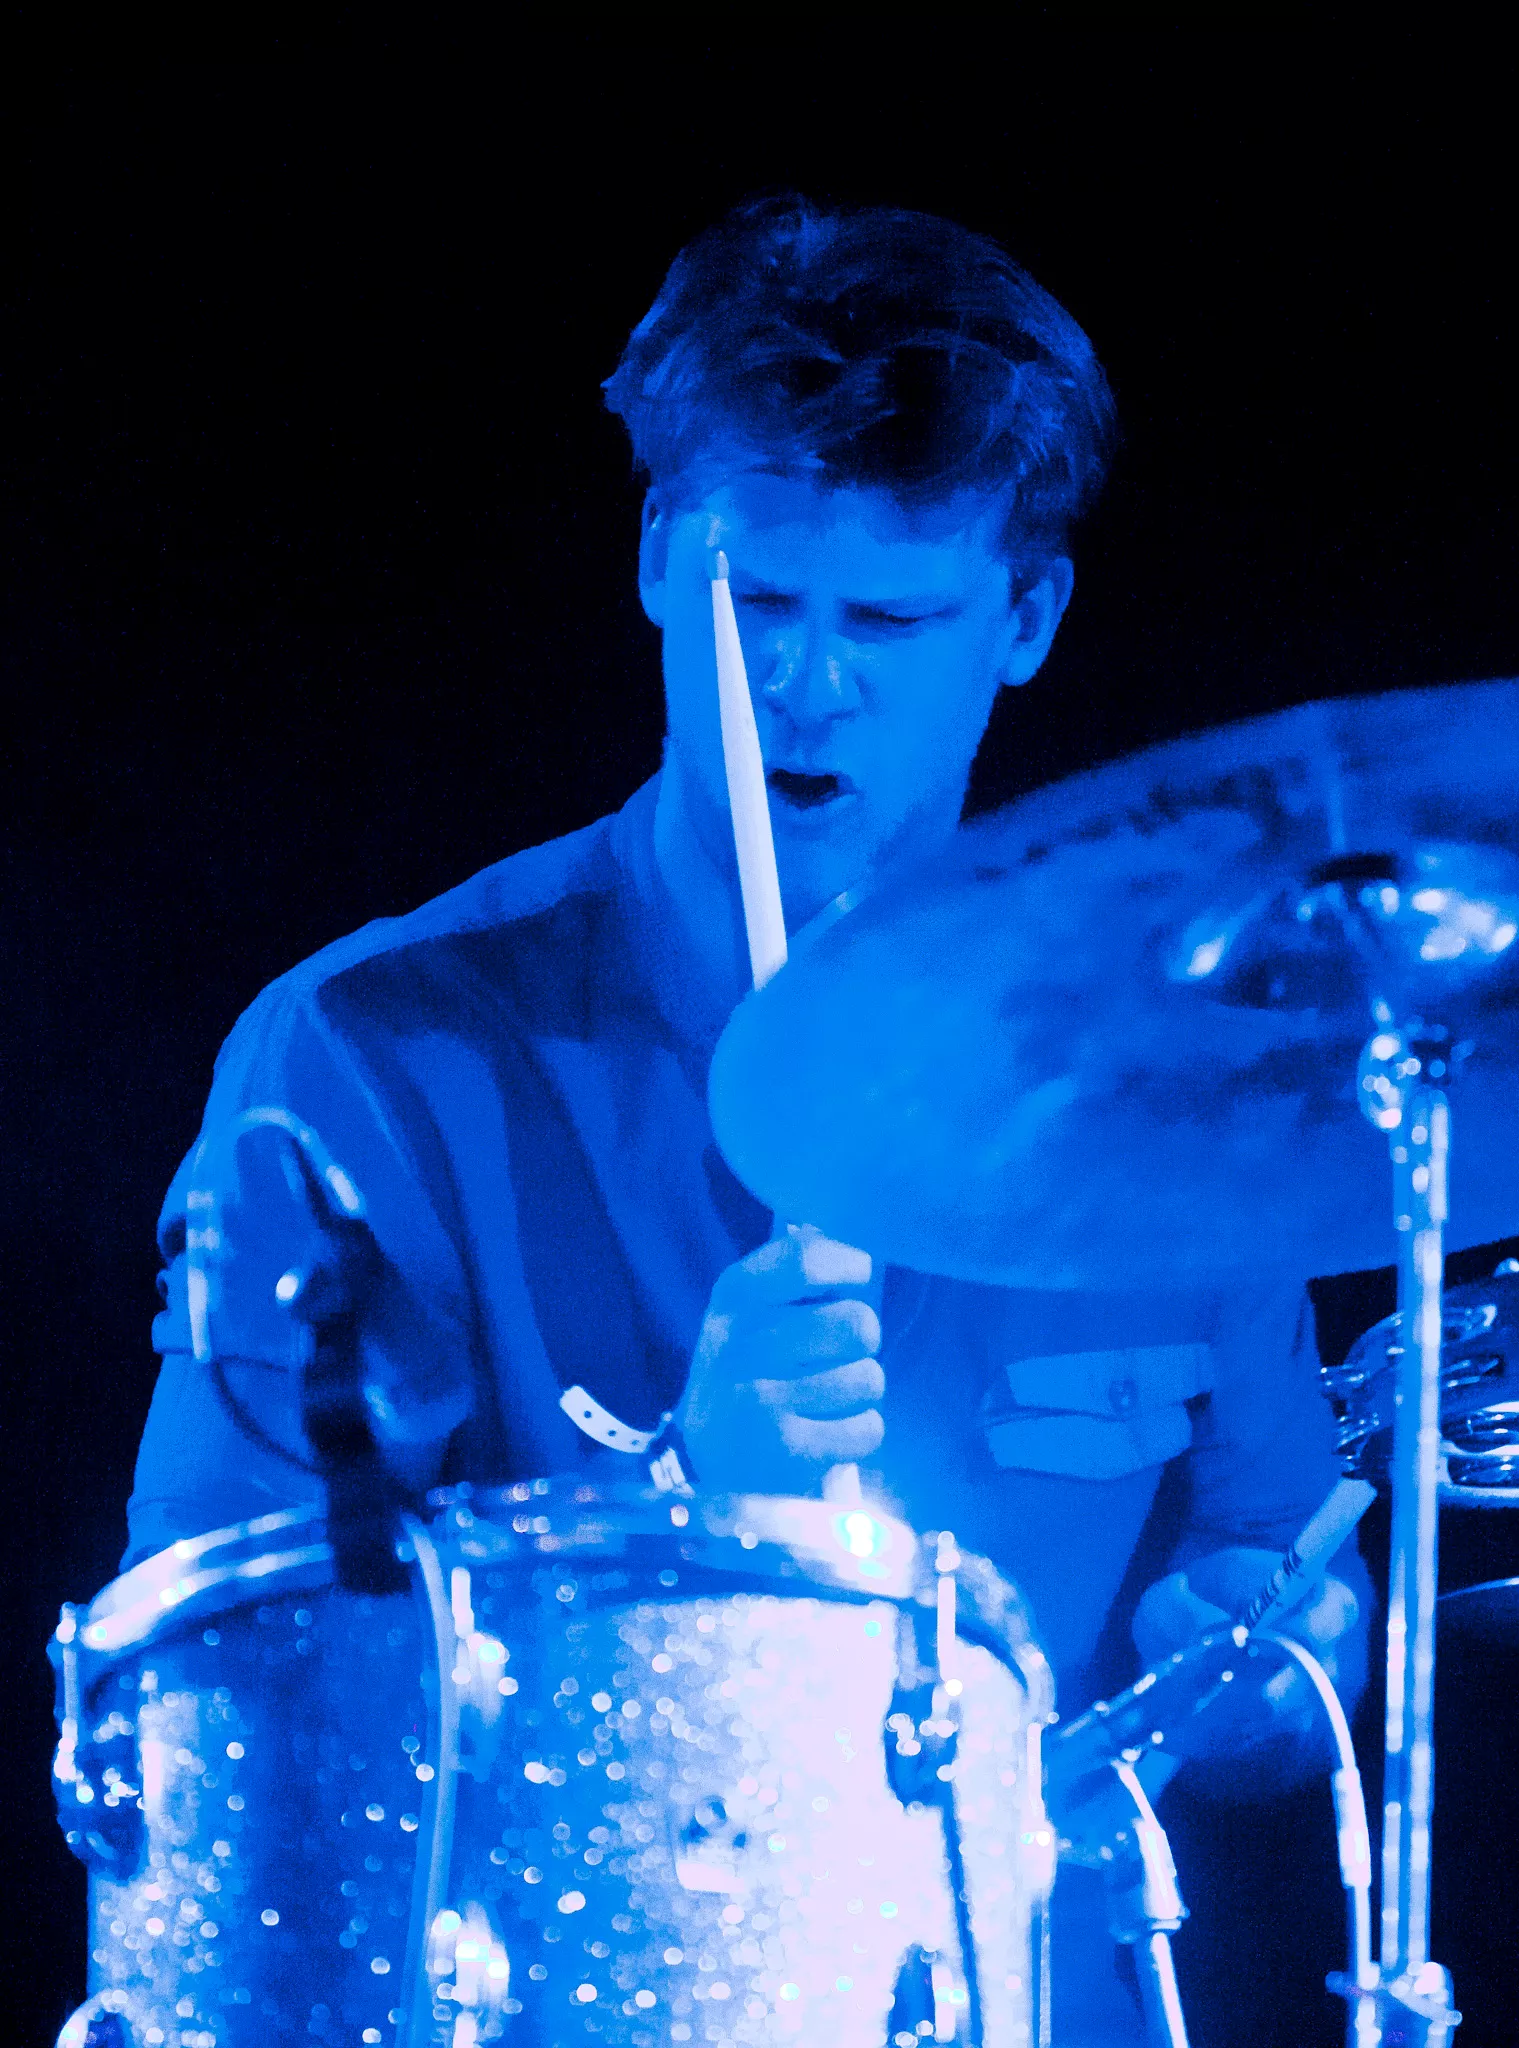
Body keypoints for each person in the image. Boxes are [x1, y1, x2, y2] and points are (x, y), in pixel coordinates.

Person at [124, 194, 1373, 2041]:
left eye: (891, 618)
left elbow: (1267, 1602)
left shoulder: (1174, 1090)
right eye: (757, 602)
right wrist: (674, 1525)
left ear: (1027, 620)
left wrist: (1274, 1672)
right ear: (656, 560)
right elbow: (221, 1705)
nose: (804, 685)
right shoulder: (369, 1058)